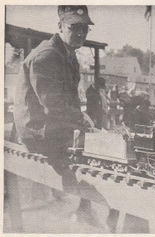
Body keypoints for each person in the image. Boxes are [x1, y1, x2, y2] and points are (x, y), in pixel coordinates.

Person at [13, 5, 110, 230]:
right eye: (74, 27)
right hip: (37, 129)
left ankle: (85, 208)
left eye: (84, 29)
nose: (80, 34)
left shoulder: (69, 55)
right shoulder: (46, 56)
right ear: (60, 26)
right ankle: (78, 211)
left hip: (54, 124)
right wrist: (81, 119)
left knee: (98, 151)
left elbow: (70, 101)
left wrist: (82, 123)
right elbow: (52, 104)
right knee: (85, 158)